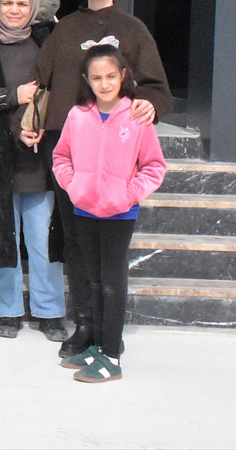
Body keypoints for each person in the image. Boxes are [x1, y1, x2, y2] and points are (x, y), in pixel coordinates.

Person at [21, 0, 172, 359]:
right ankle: (84, 322)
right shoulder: (66, 28)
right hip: (70, 144)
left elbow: (157, 87)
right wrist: (27, 120)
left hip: (116, 149)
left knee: (109, 251)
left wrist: (150, 105)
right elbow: (39, 81)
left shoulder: (133, 29)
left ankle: (109, 330)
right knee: (74, 240)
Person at [51, 45, 166, 383]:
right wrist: (74, 186)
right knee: (94, 281)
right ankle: (98, 347)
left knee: (112, 284)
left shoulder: (136, 117)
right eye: (97, 77)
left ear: (123, 75)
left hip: (120, 215)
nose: (104, 84)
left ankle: (112, 356)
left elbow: (154, 166)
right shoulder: (77, 116)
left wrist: (128, 195)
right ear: (86, 79)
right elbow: (61, 158)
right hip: (85, 210)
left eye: (111, 76)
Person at [0, 0, 67, 342]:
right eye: (7, 3)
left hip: (40, 158)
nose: (14, 10)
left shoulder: (47, 42)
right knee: (1, 235)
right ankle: (7, 311)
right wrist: (13, 95)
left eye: (22, 4)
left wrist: (40, 124)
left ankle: (50, 312)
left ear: (33, 8)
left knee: (43, 241)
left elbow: (61, 89)